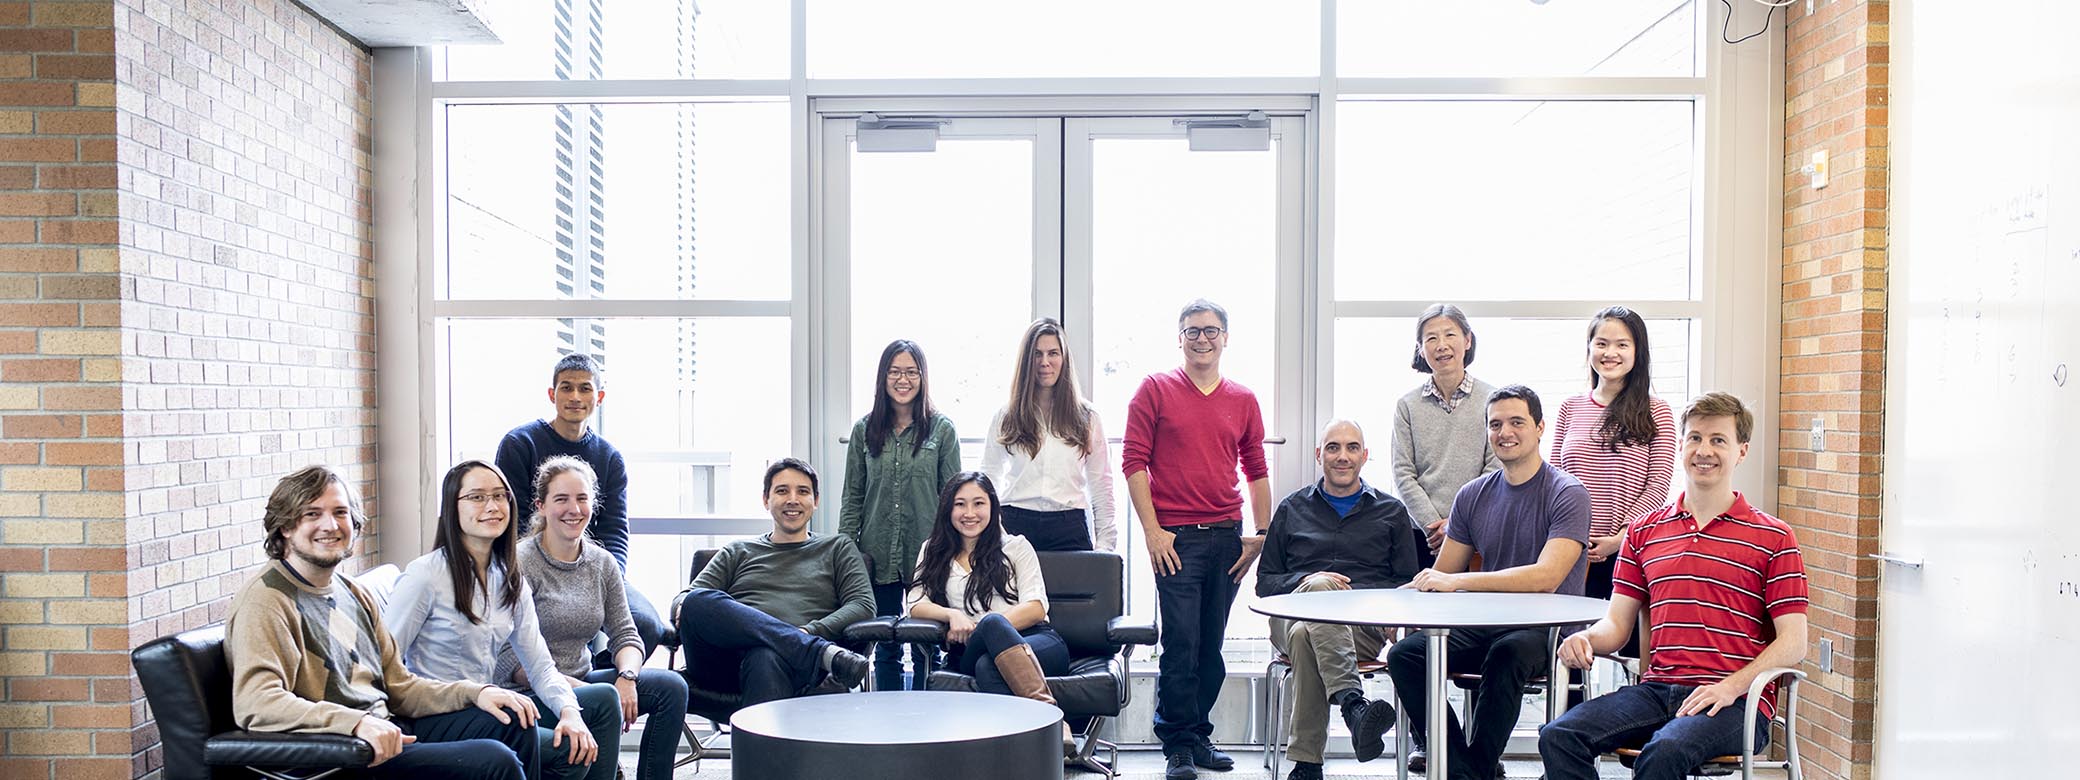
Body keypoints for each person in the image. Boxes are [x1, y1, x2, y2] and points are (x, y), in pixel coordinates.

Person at [1538, 392, 1809, 780]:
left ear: (1741, 451)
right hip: (1657, 690)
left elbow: (1793, 643)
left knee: (1664, 752)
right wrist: (1586, 639)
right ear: (1681, 445)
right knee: (1559, 735)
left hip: (1733, 702)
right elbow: (1616, 626)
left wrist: (1730, 687)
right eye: (1695, 438)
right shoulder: (1644, 532)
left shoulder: (1773, 536)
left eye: (1718, 440)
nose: (1704, 450)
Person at [226, 465, 537, 780]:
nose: (330, 525)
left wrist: (475, 692)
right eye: (312, 514)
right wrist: (355, 723)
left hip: (388, 728)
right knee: (492, 761)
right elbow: (257, 702)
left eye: (340, 512)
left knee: (513, 718)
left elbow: (399, 686)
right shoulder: (267, 600)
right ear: (285, 528)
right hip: (342, 754)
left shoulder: (352, 592)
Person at [1384, 385, 1591, 780]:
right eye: (1495, 424)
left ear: (1540, 428)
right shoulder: (1473, 495)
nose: (1504, 432)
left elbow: (1546, 577)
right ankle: (1467, 769)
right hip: (1485, 625)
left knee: (1507, 654)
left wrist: (1457, 582)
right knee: (1405, 656)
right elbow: (1441, 574)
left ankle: (1469, 772)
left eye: (1517, 422)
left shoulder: (1568, 493)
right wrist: (1397, 604)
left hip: (1545, 630)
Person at [386, 460, 618, 780]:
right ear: (453, 508)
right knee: (549, 738)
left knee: (592, 711)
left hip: (484, 707)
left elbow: (539, 665)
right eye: (477, 497)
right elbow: (384, 662)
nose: (492, 506)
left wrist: (569, 712)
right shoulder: (425, 575)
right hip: (432, 714)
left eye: (499, 496)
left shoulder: (508, 578)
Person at [1121, 298, 1271, 780]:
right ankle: (1179, 745)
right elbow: (1133, 463)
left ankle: (1199, 736)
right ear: (1179, 338)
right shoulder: (1155, 390)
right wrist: (1152, 532)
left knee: (1210, 645)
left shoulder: (1243, 399)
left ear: (1226, 338)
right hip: (1176, 541)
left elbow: (1256, 468)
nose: (1201, 338)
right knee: (1181, 644)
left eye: (1210, 330)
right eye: (1192, 331)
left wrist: (1262, 533)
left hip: (1228, 539)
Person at [501, 456, 688, 780]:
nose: (573, 509)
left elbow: (625, 634)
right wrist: (575, 689)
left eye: (582, 498)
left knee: (671, 687)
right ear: (541, 506)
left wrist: (627, 677)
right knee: (604, 698)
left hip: (582, 680)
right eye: (561, 499)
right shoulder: (520, 562)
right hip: (529, 693)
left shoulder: (601, 563)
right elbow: (507, 659)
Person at [1255, 420, 1419, 780]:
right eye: (1333, 447)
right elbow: (1265, 583)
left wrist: (1393, 617)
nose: (1342, 456)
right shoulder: (1291, 508)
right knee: (1317, 594)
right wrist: (1309, 580)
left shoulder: (1392, 512)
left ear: (1364, 455)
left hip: (1362, 626)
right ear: (1319, 455)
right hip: (1290, 612)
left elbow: (1407, 583)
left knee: (1305, 635)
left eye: (1351, 447)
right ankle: (1354, 706)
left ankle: (1308, 764)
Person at [494, 353, 665, 662]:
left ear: (598, 397)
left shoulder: (609, 457)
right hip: (534, 569)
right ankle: (562, 684)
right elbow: (512, 523)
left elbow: (614, 529)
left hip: (592, 567)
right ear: (552, 394)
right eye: (566, 388)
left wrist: (606, 580)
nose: (575, 397)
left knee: (647, 626)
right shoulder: (520, 444)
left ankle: (591, 681)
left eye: (585, 388)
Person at [675, 458, 874, 707]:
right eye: (782, 491)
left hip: (794, 667)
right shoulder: (738, 550)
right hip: (724, 664)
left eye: (803, 491)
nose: (793, 499)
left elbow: (863, 605)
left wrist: (808, 632)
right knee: (695, 601)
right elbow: (685, 600)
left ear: (816, 501)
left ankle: (802, 647)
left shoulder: (837, 548)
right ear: (766, 500)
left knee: (766, 654)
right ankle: (816, 651)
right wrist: (683, 604)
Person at [906, 471, 1077, 751]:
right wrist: (952, 615)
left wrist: (987, 626)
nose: (969, 512)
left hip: (1036, 642)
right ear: (948, 509)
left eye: (978, 503)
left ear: (992, 506)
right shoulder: (933, 550)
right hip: (970, 649)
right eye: (960, 504)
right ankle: (1051, 723)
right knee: (986, 648)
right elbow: (915, 604)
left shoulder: (1016, 546)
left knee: (989, 662)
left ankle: (1016, 753)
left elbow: (1036, 607)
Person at [840, 339, 962, 691]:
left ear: (923, 378)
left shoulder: (942, 430)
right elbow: (853, 497)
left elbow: (952, 498)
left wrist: (954, 550)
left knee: (928, 645)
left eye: (911, 372)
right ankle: (889, 724)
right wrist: (847, 555)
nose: (902, 379)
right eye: (895, 372)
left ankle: (926, 722)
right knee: (886, 645)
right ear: (883, 378)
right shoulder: (864, 430)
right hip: (877, 554)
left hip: (929, 553)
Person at [1549, 306, 1676, 606]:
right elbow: (1553, 479)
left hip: (1627, 549)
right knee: (1568, 642)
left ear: (1637, 352)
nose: (1610, 353)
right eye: (1601, 343)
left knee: (1622, 645)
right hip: (1569, 548)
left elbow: (1657, 486)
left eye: (1622, 344)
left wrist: (1619, 538)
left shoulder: (1657, 411)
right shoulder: (1571, 407)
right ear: (1590, 348)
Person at [980, 317, 1119, 552]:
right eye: (1037, 354)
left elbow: (1101, 485)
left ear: (1064, 359)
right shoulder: (1006, 416)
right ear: (1026, 361)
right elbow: (988, 478)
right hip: (1015, 524)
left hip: (1069, 527)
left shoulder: (1087, 416)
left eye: (1053, 353)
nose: (1045, 362)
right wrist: (994, 533)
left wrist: (1105, 544)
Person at [1391, 303, 1501, 572]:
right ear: (1421, 349)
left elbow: (1495, 469)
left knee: (1473, 610)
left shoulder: (1493, 399)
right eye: (1431, 338)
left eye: (1450, 335)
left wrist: (1457, 523)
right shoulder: (1407, 405)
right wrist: (1433, 525)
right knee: (1420, 608)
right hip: (1423, 535)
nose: (1441, 345)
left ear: (1467, 340)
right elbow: (1403, 473)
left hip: (1476, 530)